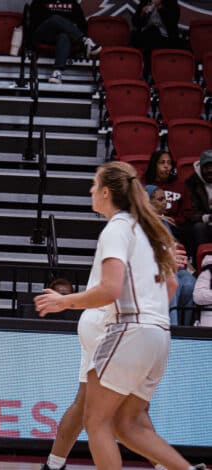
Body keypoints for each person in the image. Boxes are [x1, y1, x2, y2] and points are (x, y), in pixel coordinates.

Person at [35, 161, 205, 470]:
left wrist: (65, 301)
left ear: (106, 192)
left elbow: (110, 288)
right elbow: (169, 284)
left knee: (96, 421)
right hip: (159, 333)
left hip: (126, 328)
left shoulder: (116, 229)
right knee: (128, 424)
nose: (89, 190)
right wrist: (150, 315)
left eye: (93, 184)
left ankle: (54, 464)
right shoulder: (151, 231)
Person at [146, 185, 195, 325]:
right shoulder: (141, 222)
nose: (165, 203)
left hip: (170, 264)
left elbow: (172, 245)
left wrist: (182, 260)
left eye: (165, 199)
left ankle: (186, 329)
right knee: (174, 282)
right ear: (147, 202)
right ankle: (171, 328)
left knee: (189, 282)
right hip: (155, 267)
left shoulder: (164, 222)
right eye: (160, 199)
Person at [29, 0, 101, 84]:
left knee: (64, 35)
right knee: (55, 18)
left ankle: (57, 72)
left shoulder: (73, 4)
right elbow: (33, 23)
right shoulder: (39, 2)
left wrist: (67, 27)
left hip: (63, 37)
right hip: (43, 35)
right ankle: (85, 40)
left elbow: (82, 25)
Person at [132, 0, 180, 78]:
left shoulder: (171, 3)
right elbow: (135, 22)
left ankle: (154, 73)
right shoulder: (145, 2)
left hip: (165, 37)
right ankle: (147, 73)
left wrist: (160, 8)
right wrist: (142, 13)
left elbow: (173, 22)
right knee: (150, 35)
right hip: (146, 36)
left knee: (154, 35)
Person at [184, 149, 212, 264]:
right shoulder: (192, 183)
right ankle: (200, 263)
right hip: (204, 222)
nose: (210, 170)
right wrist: (208, 218)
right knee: (198, 228)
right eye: (206, 167)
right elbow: (191, 213)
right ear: (200, 167)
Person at [144, 150, 182, 224]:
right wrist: (159, 218)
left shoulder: (180, 186)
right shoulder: (144, 185)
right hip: (152, 223)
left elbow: (186, 214)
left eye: (169, 163)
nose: (166, 166)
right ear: (154, 165)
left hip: (176, 226)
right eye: (162, 162)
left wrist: (171, 221)